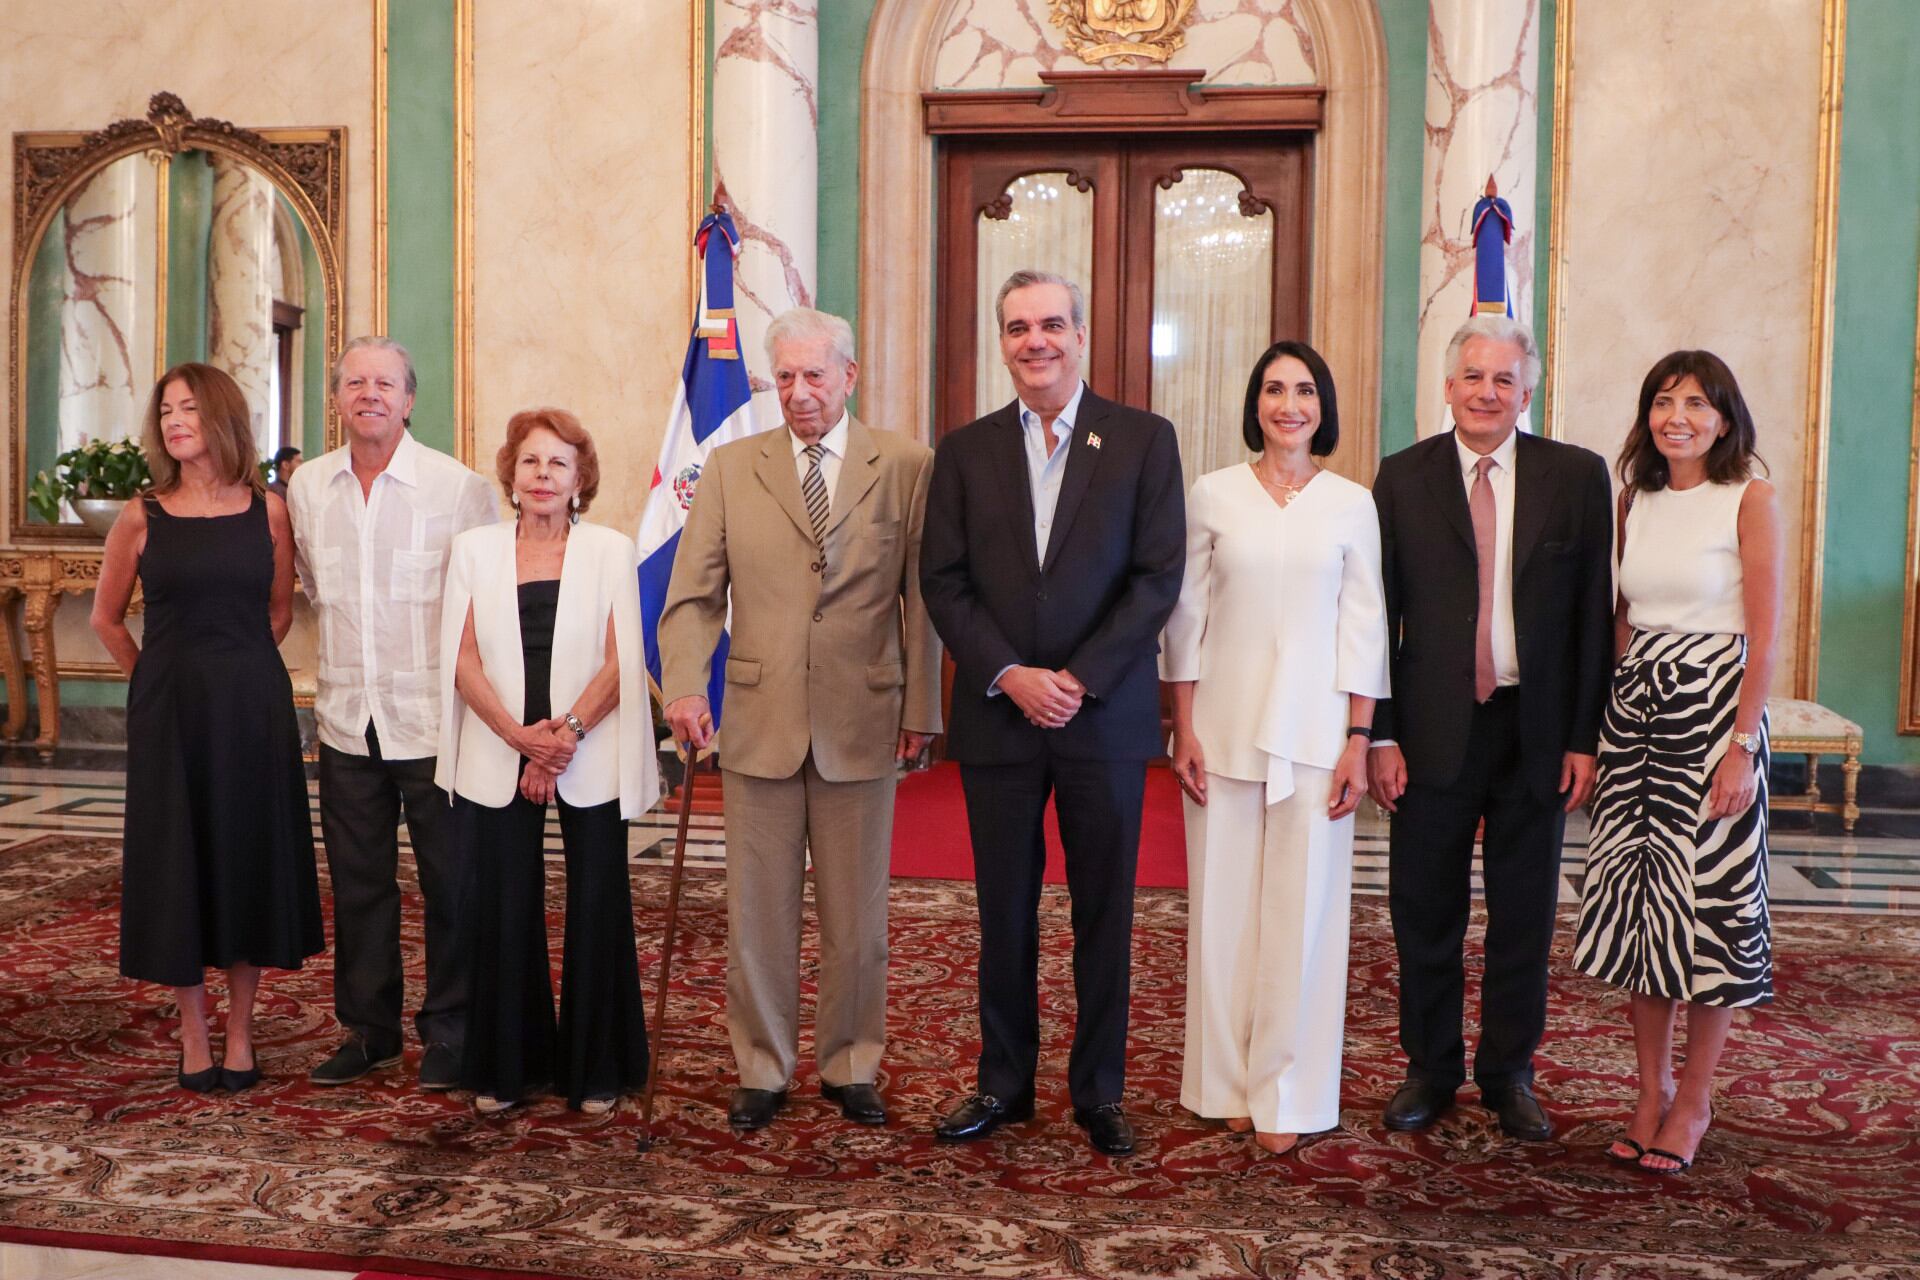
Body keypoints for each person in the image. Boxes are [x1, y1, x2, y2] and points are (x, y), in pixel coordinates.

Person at [921, 269, 1186, 1156]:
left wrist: (1076, 677)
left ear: (1082, 335)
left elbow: (1157, 578)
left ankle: (1098, 1092)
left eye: (1052, 325)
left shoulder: (1144, 441)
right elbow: (943, 582)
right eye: (1018, 328)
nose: (1036, 341)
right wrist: (1008, 673)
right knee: (1004, 907)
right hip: (1000, 718)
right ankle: (1004, 1083)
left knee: (1104, 908)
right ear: (1001, 341)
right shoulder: (962, 451)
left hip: (1101, 718)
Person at [659, 307, 940, 1131]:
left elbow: (921, 596)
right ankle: (762, 1065)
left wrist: (921, 706)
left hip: (863, 716)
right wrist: (683, 685)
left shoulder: (907, 465)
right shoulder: (731, 466)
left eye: (815, 375)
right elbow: (691, 596)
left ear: (849, 377)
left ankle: (852, 1063)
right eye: (784, 377)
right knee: (756, 916)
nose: (799, 392)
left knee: (859, 921)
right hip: (758, 718)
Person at [1367, 314, 1612, 1141]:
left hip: (1534, 732)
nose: (1487, 392)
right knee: (1423, 910)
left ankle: (1508, 1072)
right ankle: (1430, 1068)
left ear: (1527, 392)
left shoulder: (1576, 477)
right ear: (1447, 386)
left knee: (1523, 914)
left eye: (1504, 380)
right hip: (1432, 731)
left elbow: (1589, 620)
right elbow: (1379, 617)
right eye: (1473, 376)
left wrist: (1584, 737)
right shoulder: (1401, 479)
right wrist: (1382, 734)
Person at [1161, 340, 1387, 1155]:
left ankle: (1288, 1091)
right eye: (1272, 390)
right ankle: (1221, 1083)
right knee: (1222, 914)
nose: (1288, 404)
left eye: (1302, 391)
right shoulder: (1213, 493)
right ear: (1254, 404)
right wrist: (1181, 724)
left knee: (1304, 919)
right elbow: (1185, 617)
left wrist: (1360, 739)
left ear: (1323, 406)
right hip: (1221, 727)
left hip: (1319, 737)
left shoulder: (1352, 503)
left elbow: (1364, 628)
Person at [1572, 351, 1781, 1174]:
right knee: (1642, 912)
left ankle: (1694, 1099)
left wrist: (1739, 745)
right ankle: (1648, 1090)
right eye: (1664, 400)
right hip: (1638, 719)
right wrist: (1624, 705)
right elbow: (1622, 616)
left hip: (1715, 719)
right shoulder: (1637, 500)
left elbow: (1764, 635)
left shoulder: (1750, 498)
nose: (1679, 417)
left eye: (1697, 403)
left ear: (1724, 419)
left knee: (1712, 913)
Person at [91, 363, 322, 1092]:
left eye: (187, 407)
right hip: (172, 715)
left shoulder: (271, 511)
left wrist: (239, 671)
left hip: (252, 709)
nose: (173, 420)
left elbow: (279, 611)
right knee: (179, 863)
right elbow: (105, 618)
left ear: (220, 415)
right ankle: (193, 1029)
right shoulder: (141, 514)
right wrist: (155, 678)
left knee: (244, 856)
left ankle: (241, 1029)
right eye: (165, 410)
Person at [288, 337, 498, 1090]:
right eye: (354, 382)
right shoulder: (308, 488)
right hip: (347, 719)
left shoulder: (458, 488)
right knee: (358, 884)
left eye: (385, 383)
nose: (369, 393)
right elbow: (313, 586)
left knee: (451, 884)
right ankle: (368, 1031)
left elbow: (485, 610)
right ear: (337, 399)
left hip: (436, 723)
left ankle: (451, 1032)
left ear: (410, 400)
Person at [437, 408, 656, 1114]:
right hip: (500, 746)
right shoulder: (473, 549)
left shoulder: (612, 551)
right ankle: (507, 1067)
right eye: (530, 461)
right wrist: (517, 736)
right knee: (500, 906)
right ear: (511, 473)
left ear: (579, 479)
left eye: (558, 463)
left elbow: (626, 661)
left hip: (586, 747)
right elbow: (462, 660)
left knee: (596, 901)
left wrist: (562, 737)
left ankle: (596, 1070)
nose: (542, 475)